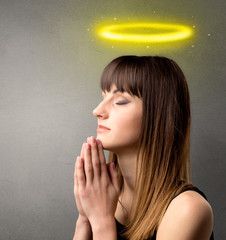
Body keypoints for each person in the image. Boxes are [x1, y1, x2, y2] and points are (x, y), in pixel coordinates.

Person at [73, 56, 214, 240]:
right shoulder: (104, 194)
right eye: (103, 97)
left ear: (159, 115)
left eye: (120, 101)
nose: (97, 111)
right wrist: (84, 218)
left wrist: (101, 223)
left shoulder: (188, 210)